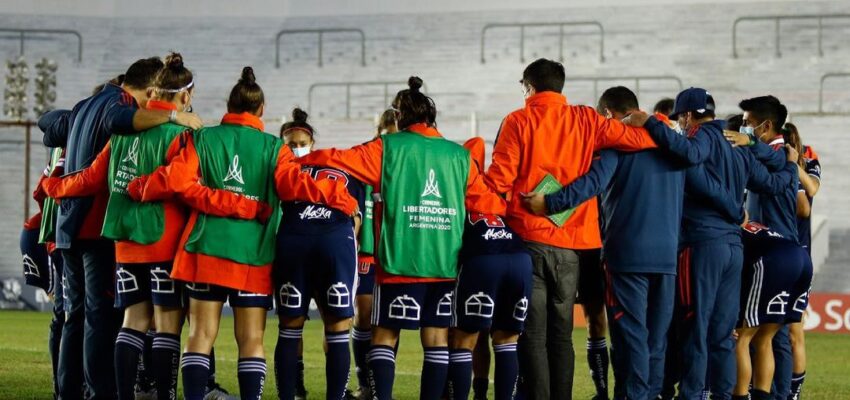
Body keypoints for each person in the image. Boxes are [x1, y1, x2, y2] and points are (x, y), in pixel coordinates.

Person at [128, 66, 358, 400]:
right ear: (261, 110)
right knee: (251, 340)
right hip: (253, 257)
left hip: (205, 250)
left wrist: (141, 187)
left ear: (230, 105)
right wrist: (339, 196)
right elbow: (294, 185)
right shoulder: (273, 148)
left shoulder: (202, 137)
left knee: (200, 337)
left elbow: (177, 182)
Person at [41, 54, 259, 400]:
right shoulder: (181, 134)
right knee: (169, 327)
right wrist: (245, 205)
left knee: (131, 321)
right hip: (163, 242)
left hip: (123, 242)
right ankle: (163, 394)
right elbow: (184, 187)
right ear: (185, 97)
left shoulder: (121, 134)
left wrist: (54, 188)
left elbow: (90, 178)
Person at [297, 76, 506, 400]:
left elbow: (337, 158)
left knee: (384, 336)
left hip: (398, 262)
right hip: (444, 264)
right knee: (436, 340)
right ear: (431, 116)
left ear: (398, 116)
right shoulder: (459, 156)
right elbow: (488, 203)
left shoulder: (388, 147)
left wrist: (296, 160)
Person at [483, 59, 656, 400]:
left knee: (532, 334)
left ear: (527, 87)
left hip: (528, 241)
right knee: (561, 335)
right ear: (560, 86)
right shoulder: (587, 119)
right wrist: (657, 121)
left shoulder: (518, 120)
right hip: (572, 246)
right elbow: (642, 139)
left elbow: (499, 180)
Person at [621, 88, 798, 400]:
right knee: (722, 335)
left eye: (680, 119)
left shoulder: (699, 137)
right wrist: (789, 163)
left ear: (688, 116)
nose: (681, 126)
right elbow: (775, 184)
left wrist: (650, 123)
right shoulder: (738, 144)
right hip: (734, 250)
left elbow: (690, 157)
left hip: (702, 245)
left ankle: (691, 395)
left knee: (695, 328)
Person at [273, 108, 366, 400]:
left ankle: (292, 393)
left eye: (299, 144)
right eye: (292, 144)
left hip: (293, 240)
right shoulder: (342, 168)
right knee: (337, 326)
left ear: (310, 142)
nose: (297, 149)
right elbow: (356, 217)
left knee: (290, 326)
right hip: (335, 242)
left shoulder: (281, 168)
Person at [444, 137, 532, 400]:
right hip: (519, 257)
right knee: (506, 341)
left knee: (463, 340)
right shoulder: (493, 192)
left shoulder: (455, 195)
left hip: (482, 258)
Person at [349, 108, 399, 400]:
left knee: (391, 319)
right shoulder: (366, 158)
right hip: (368, 249)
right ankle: (365, 383)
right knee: (364, 316)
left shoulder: (405, 159)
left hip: (397, 250)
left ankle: (381, 386)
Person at [734, 221, 812, 400]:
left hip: (775, 260)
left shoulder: (728, 231)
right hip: (802, 258)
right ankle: (763, 396)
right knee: (763, 338)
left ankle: (739, 396)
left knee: (742, 337)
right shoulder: (752, 225)